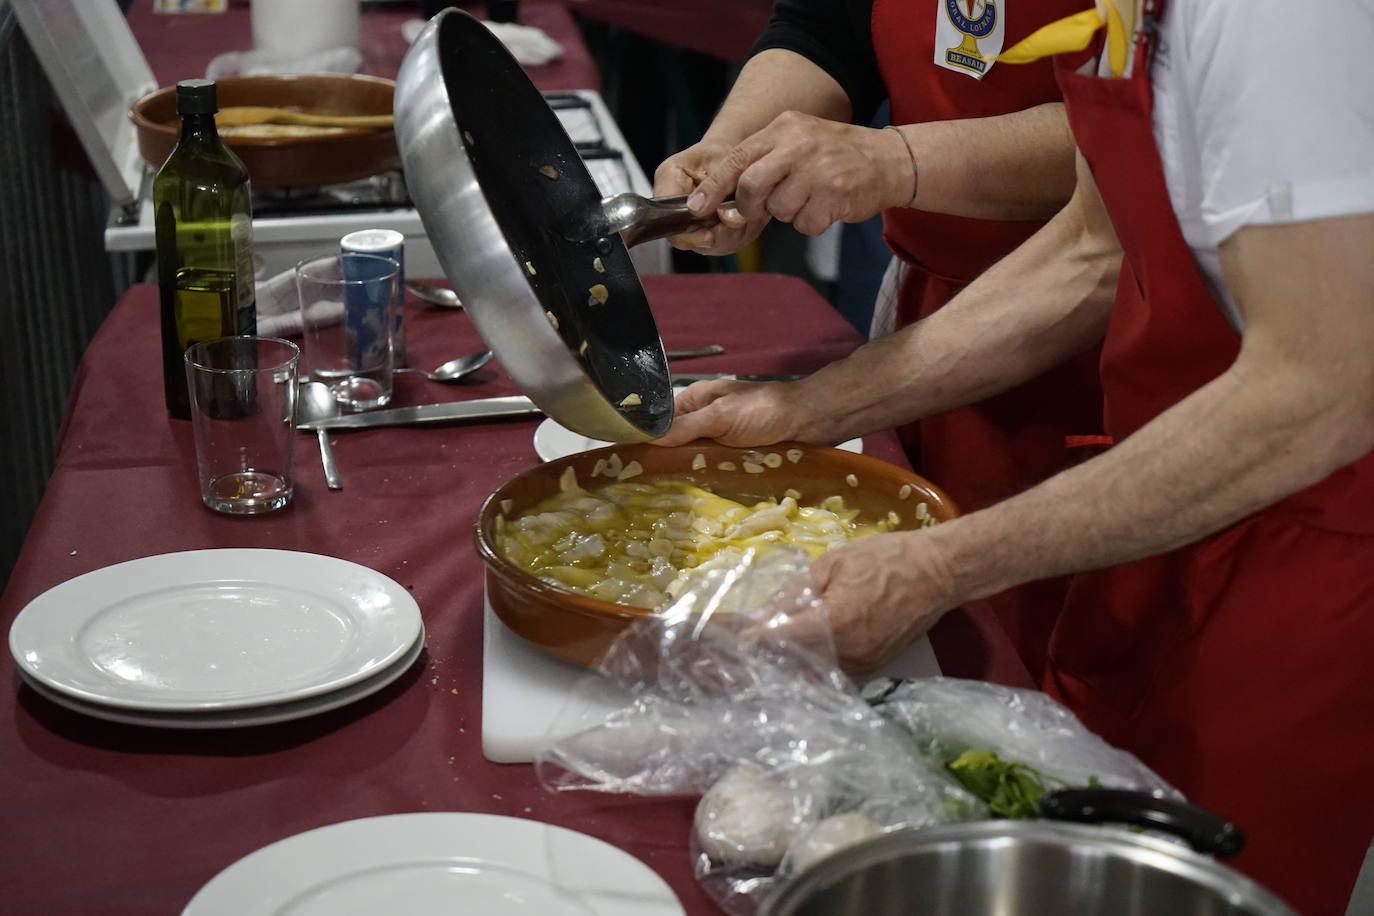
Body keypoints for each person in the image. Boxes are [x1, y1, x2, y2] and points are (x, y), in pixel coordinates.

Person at [655, 2, 1374, 913]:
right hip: (1158, 495)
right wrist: (806, 406)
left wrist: (940, 562)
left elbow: (1324, 386)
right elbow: (1090, 251)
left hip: (1306, 551)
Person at [655, 0, 1106, 683]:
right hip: (936, 327)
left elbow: (1135, 163)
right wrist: (738, 153)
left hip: (1105, 365)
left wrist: (897, 159)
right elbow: (829, 23)